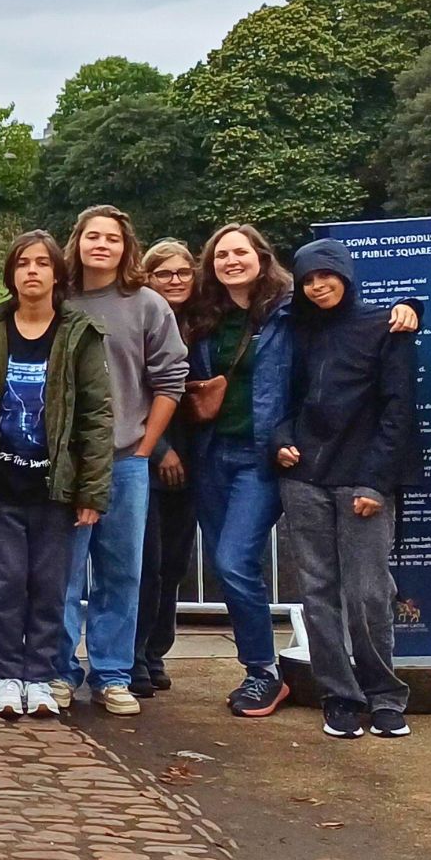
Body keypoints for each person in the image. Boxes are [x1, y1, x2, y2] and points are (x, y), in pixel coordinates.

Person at [0, 232, 112, 722]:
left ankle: (39, 676)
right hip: (0, 485)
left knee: (48, 584)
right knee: (0, 584)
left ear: (58, 274)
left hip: (56, 487)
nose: (33, 272)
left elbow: (98, 416)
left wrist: (92, 490)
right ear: (10, 274)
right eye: (23, 264)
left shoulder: (79, 332)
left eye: (43, 263)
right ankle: (5, 676)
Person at [274, 239, 418, 741]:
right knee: (318, 593)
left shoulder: (386, 328)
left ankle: (384, 696)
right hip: (305, 478)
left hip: (362, 482)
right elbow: (282, 397)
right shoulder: (295, 330)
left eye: (326, 276)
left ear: (346, 276)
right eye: (308, 279)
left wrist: (377, 482)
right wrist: (281, 440)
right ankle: (340, 696)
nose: (317, 287)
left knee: (368, 593)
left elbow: (399, 411)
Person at [54, 206, 188, 716]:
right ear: (78, 241)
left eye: (112, 237)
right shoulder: (59, 299)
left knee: (121, 571)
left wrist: (147, 446)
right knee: (65, 573)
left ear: (125, 246)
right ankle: (61, 670)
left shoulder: (148, 304)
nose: (101, 245)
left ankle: (111, 673)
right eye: (93, 236)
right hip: (67, 461)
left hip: (128, 459)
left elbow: (169, 379)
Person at [182, 223, 298, 717]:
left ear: (261, 256)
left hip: (260, 457)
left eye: (240, 252)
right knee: (229, 566)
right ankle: (260, 668)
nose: (231, 260)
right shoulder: (204, 315)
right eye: (221, 254)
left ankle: (263, 672)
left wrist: (408, 309)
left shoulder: (290, 312)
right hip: (211, 455)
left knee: (234, 560)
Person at [134, 239, 201, 695]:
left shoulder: (204, 322)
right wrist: (160, 451)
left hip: (196, 457)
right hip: (147, 454)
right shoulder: (139, 318)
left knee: (175, 563)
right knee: (145, 563)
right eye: (164, 274)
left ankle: (157, 650)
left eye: (182, 273)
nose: (174, 281)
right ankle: (134, 655)